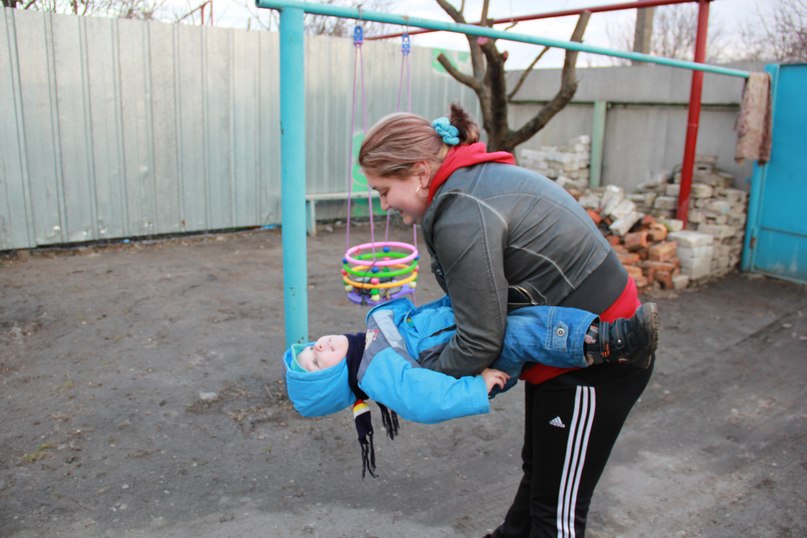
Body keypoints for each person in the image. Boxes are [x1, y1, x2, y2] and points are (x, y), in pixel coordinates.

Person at [358, 104, 657, 537]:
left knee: (556, 514)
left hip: (596, 358)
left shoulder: (461, 211)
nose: (385, 204)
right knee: (540, 473)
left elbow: (479, 340)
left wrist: (415, 380)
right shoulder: (464, 187)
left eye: (384, 190)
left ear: (420, 172)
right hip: (559, 346)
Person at [283, 296, 657, 478]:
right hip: (472, 371)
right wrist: (476, 388)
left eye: (310, 347)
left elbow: (419, 318)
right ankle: (610, 342)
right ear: (334, 382)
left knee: (516, 316)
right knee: (516, 334)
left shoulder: (369, 341)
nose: (317, 348)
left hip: (461, 332)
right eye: (315, 364)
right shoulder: (373, 371)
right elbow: (423, 401)